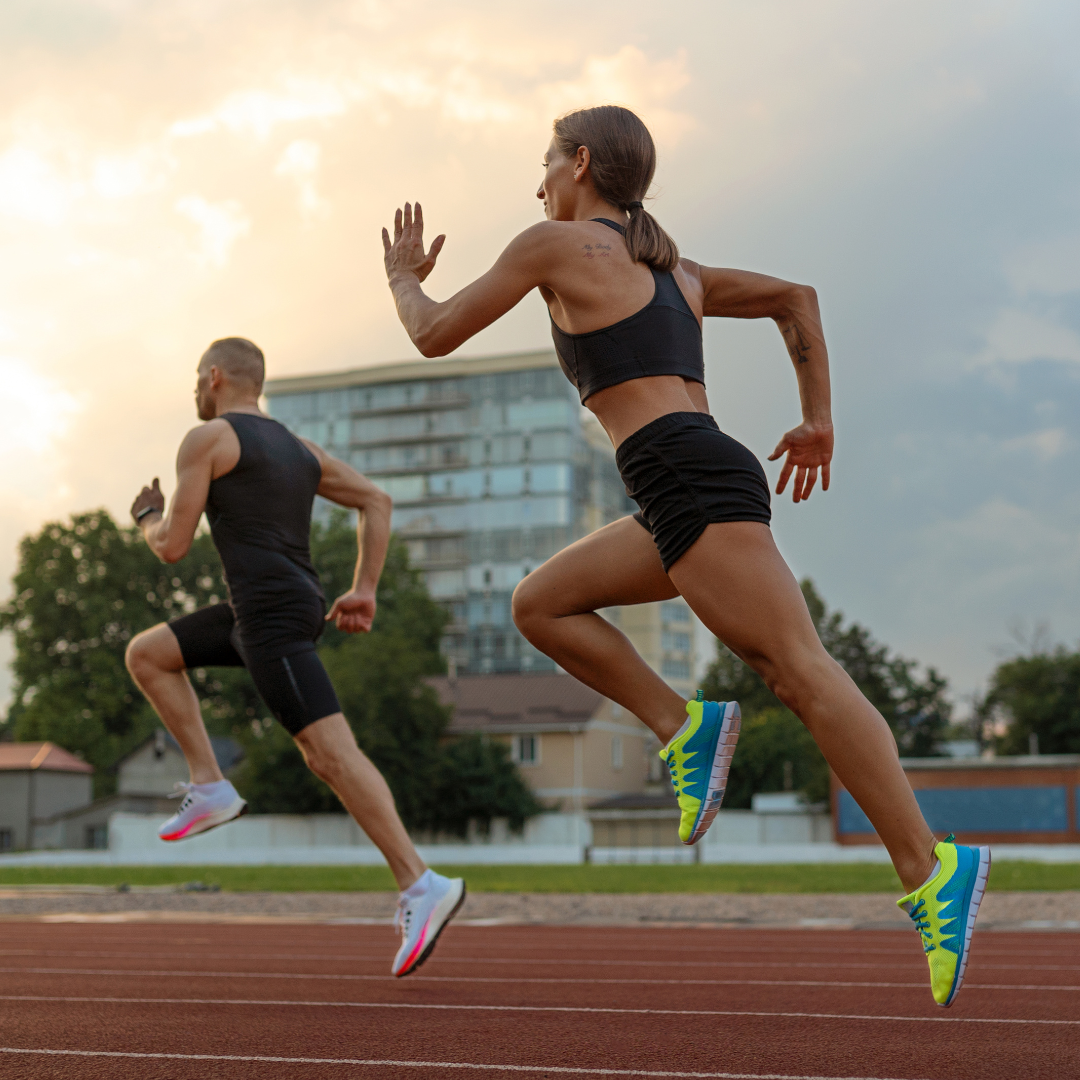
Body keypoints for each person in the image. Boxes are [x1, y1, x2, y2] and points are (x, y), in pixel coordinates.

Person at [381, 106, 990, 1006]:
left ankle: (931, 868)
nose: (537, 184)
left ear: (580, 164)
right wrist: (817, 417)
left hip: (684, 476)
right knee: (541, 604)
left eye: (544, 163)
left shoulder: (554, 245)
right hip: (682, 482)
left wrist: (401, 278)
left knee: (800, 671)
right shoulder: (679, 271)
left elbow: (432, 333)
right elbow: (797, 298)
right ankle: (682, 727)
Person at [125, 336, 464, 976]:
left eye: (197, 377)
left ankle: (421, 883)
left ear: (216, 376)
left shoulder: (207, 439)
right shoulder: (300, 449)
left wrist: (147, 516)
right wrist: (363, 589)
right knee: (148, 654)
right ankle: (210, 783)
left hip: (271, 617)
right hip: (271, 608)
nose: (194, 388)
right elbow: (377, 500)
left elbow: (171, 545)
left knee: (329, 754)